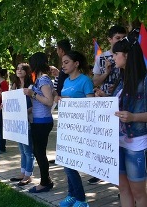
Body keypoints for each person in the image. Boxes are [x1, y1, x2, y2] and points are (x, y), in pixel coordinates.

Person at [98, 30, 147, 207]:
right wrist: (104, 99)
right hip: (116, 142)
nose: (113, 57)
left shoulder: (144, 80)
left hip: (136, 143)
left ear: (126, 56)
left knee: (138, 192)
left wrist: (134, 116)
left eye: (116, 53)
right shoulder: (121, 80)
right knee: (123, 189)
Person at [89, 25, 126, 185]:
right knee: (103, 140)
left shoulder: (129, 56)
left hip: (122, 104)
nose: (121, 41)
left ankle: (122, 177)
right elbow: (95, 82)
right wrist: (106, 72)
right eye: (118, 38)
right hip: (104, 104)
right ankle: (101, 171)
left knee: (120, 141)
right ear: (110, 39)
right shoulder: (102, 58)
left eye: (123, 38)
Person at [59, 50, 94, 207]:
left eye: (66, 62)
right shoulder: (66, 81)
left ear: (76, 63)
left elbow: (92, 105)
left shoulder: (85, 81)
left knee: (70, 165)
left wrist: (71, 101)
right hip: (66, 128)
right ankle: (72, 194)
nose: (63, 65)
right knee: (67, 162)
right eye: (62, 62)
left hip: (79, 130)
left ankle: (81, 199)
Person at [23, 52, 55, 193]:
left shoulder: (43, 80)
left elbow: (48, 101)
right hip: (38, 120)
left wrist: (32, 94)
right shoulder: (40, 79)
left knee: (39, 152)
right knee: (38, 152)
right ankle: (45, 180)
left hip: (43, 121)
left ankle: (45, 182)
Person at [10, 63, 35, 186]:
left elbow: (34, 105)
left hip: (27, 122)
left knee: (28, 150)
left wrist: (24, 112)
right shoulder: (14, 86)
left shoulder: (31, 86)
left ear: (27, 71)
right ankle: (22, 172)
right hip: (17, 123)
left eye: (22, 69)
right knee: (22, 149)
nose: (19, 70)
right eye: (17, 68)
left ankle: (28, 175)